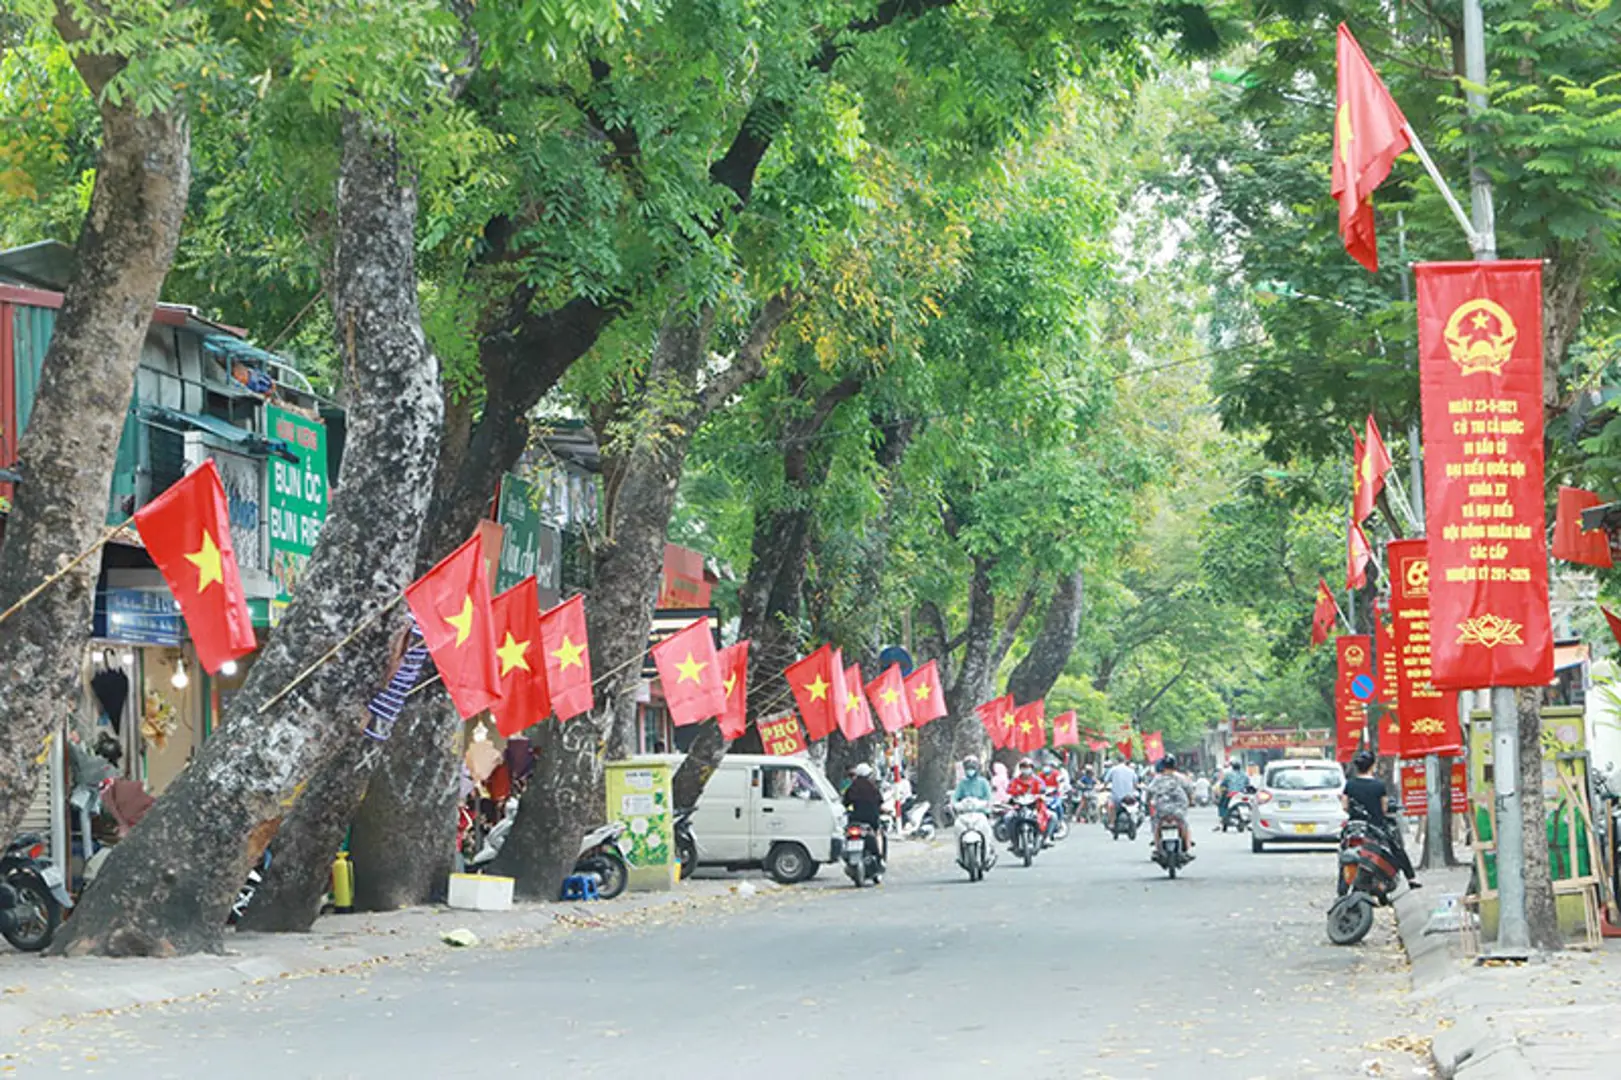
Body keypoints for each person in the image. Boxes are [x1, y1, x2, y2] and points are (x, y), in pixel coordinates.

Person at [1340, 750, 1419, 888]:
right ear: (1372, 766)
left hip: (1354, 827)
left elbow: (1345, 806)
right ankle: (1411, 879)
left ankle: (1342, 885)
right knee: (1397, 849)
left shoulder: (1349, 785)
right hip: (1375, 827)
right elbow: (1384, 808)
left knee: (1342, 849)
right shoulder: (1378, 786)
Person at [1146, 754, 1196, 857]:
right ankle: (1187, 849)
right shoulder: (1181, 777)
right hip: (1179, 809)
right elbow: (1190, 791)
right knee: (1184, 824)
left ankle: (1158, 848)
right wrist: (1191, 802)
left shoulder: (1157, 779)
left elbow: (1149, 792)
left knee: (1156, 826)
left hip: (1161, 809)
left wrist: (1148, 803)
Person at [844, 763, 887, 861]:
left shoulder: (852, 788)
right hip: (872, 819)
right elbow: (879, 803)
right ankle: (880, 856)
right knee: (878, 833)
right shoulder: (873, 788)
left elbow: (845, 803)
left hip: (855, 818)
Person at [1006, 758, 1052, 837]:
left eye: (1028, 767)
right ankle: (1013, 839)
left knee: (1051, 816)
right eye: (1024, 766)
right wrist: (1018, 792)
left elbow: (1043, 788)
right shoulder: (1015, 780)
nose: (1026, 769)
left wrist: (1040, 793)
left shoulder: (1037, 780)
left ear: (1032, 768)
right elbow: (1009, 789)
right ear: (1020, 768)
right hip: (1019, 805)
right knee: (1007, 818)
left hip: (1035, 805)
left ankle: (1046, 837)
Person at [1103, 756, 1139, 825]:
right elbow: (1135, 784)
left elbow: (1106, 782)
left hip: (1116, 797)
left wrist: (1103, 788)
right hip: (1129, 797)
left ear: (1117, 761)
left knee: (1110, 805)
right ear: (1125, 761)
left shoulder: (1113, 770)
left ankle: (1112, 823)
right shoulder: (1131, 771)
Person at [1217, 759, 1249, 826]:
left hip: (1232, 794)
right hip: (1241, 794)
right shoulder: (1245, 775)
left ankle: (1223, 817)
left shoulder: (1228, 774)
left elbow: (1223, 784)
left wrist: (1223, 789)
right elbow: (1247, 784)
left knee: (1221, 804)